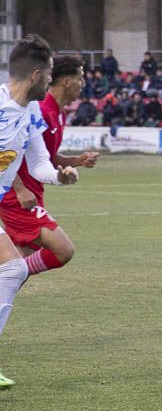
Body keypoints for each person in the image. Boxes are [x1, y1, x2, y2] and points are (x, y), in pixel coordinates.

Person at [0, 36, 82, 389]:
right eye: (49, 75)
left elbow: (38, 164)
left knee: (15, 269)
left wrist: (61, 177)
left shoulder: (32, 112)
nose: (52, 82)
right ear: (36, 75)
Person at [0, 54, 97, 286]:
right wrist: (20, 189)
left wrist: (77, 161)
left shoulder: (57, 113)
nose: (82, 83)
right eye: (80, 78)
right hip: (18, 196)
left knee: (17, 263)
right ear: (66, 81)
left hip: (33, 195)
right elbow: (8, 150)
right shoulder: (41, 110)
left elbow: (44, 158)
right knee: (62, 250)